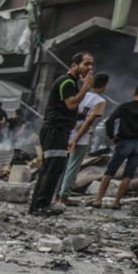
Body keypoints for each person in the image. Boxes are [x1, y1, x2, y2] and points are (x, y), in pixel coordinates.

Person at [29, 52, 95, 216]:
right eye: (86, 64)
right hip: (55, 130)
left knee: (50, 168)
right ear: (74, 65)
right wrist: (86, 87)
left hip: (58, 130)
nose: (90, 67)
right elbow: (71, 104)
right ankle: (41, 205)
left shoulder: (71, 83)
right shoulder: (66, 82)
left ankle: (38, 205)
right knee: (52, 169)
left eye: (91, 64)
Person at [92, 81, 138, 209]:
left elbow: (109, 121)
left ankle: (98, 200)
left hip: (124, 142)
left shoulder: (125, 106)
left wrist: (112, 137)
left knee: (110, 171)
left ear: (135, 92)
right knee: (128, 174)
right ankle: (116, 202)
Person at [57, 73, 108, 205]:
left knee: (61, 166)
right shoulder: (100, 101)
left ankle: (57, 194)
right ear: (104, 86)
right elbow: (88, 122)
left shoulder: (80, 95)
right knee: (72, 167)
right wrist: (76, 139)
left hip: (66, 132)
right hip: (81, 137)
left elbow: (66, 112)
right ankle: (64, 196)